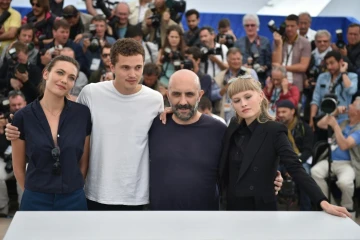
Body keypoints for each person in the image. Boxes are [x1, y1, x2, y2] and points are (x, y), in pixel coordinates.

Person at [5, 39, 164, 211]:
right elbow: (68, 121)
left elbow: (166, 133)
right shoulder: (91, 93)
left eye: (138, 67)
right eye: (125, 67)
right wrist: (19, 125)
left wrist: (172, 111)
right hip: (93, 193)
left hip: (136, 195)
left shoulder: (155, 100)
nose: (133, 74)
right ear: (112, 67)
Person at [218, 76, 351, 217]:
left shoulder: (274, 130)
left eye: (248, 97)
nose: (243, 104)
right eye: (237, 101)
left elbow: (295, 167)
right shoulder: (233, 126)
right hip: (231, 207)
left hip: (260, 208)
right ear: (232, 105)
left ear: (261, 96)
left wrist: (322, 202)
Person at [151, 70, 283, 210]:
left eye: (189, 94)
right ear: (168, 95)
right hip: (159, 220)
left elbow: (241, 166)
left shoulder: (219, 130)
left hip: (207, 221)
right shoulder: (153, 125)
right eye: (176, 94)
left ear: (200, 95)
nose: (183, 101)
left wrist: (271, 177)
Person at [10, 55, 92, 211]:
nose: (64, 80)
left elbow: (83, 162)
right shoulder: (22, 117)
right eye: (60, 72)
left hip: (73, 198)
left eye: (71, 77)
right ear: (46, 73)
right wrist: (32, 192)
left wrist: (72, 187)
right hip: (35, 199)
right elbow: (18, 167)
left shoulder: (82, 114)